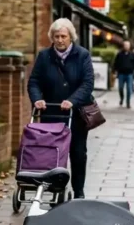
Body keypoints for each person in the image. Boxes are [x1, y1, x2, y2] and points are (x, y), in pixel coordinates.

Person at [28, 19, 95, 199]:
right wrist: (37, 99)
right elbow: (34, 81)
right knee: (54, 153)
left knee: (78, 153)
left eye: (63, 36)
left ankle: (78, 191)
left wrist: (72, 100)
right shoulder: (44, 56)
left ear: (70, 37)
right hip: (52, 113)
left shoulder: (82, 55)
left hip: (76, 115)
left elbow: (88, 83)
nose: (59, 40)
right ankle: (55, 190)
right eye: (56, 36)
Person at [113, 40, 134, 108]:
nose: (126, 46)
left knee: (129, 89)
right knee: (120, 88)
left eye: (128, 45)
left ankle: (128, 102)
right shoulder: (119, 54)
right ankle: (122, 98)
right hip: (121, 74)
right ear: (123, 46)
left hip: (129, 74)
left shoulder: (132, 54)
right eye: (125, 45)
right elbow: (116, 63)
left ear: (129, 46)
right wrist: (115, 71)